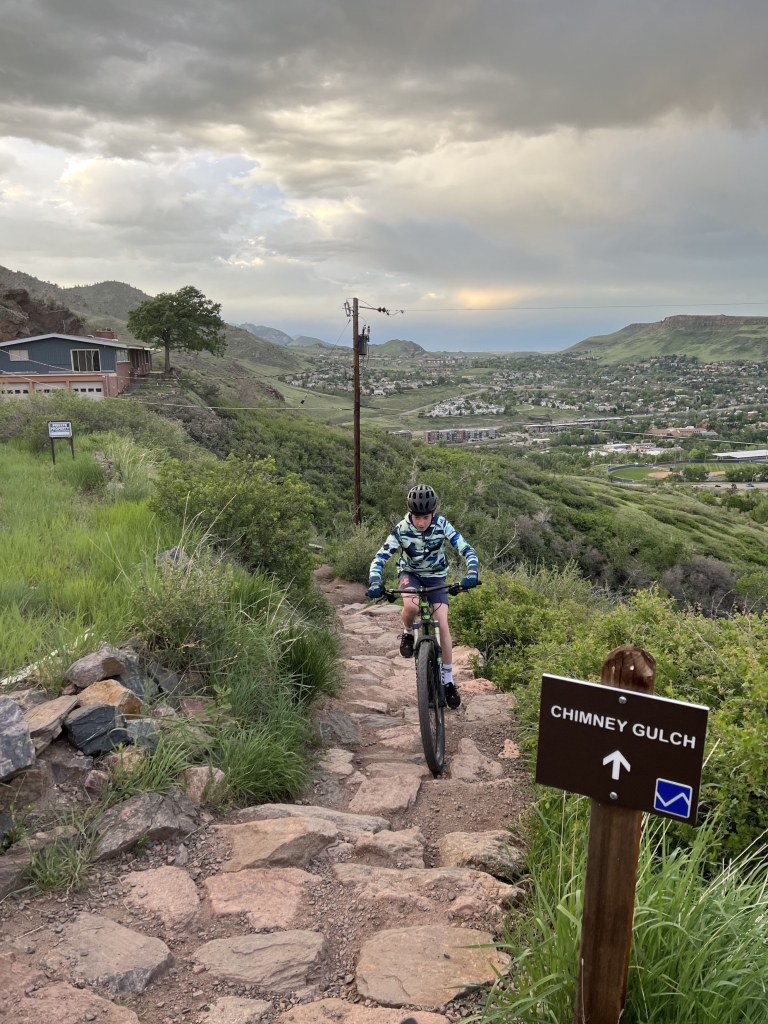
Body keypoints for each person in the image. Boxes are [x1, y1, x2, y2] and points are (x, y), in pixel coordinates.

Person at [365, 483, 479, 710]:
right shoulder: (401, 528)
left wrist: (473, 570)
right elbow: (380, 557)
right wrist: (375, 580)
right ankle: (408, 633)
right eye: (416, 517)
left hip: (437, 577)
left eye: (425, 517)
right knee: (412, 608)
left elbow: (465, 548)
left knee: (443, 626)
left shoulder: (442, 525)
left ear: (433, 513)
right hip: (410, 575)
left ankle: (448, 682)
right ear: (410, 514)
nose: (421, 522)